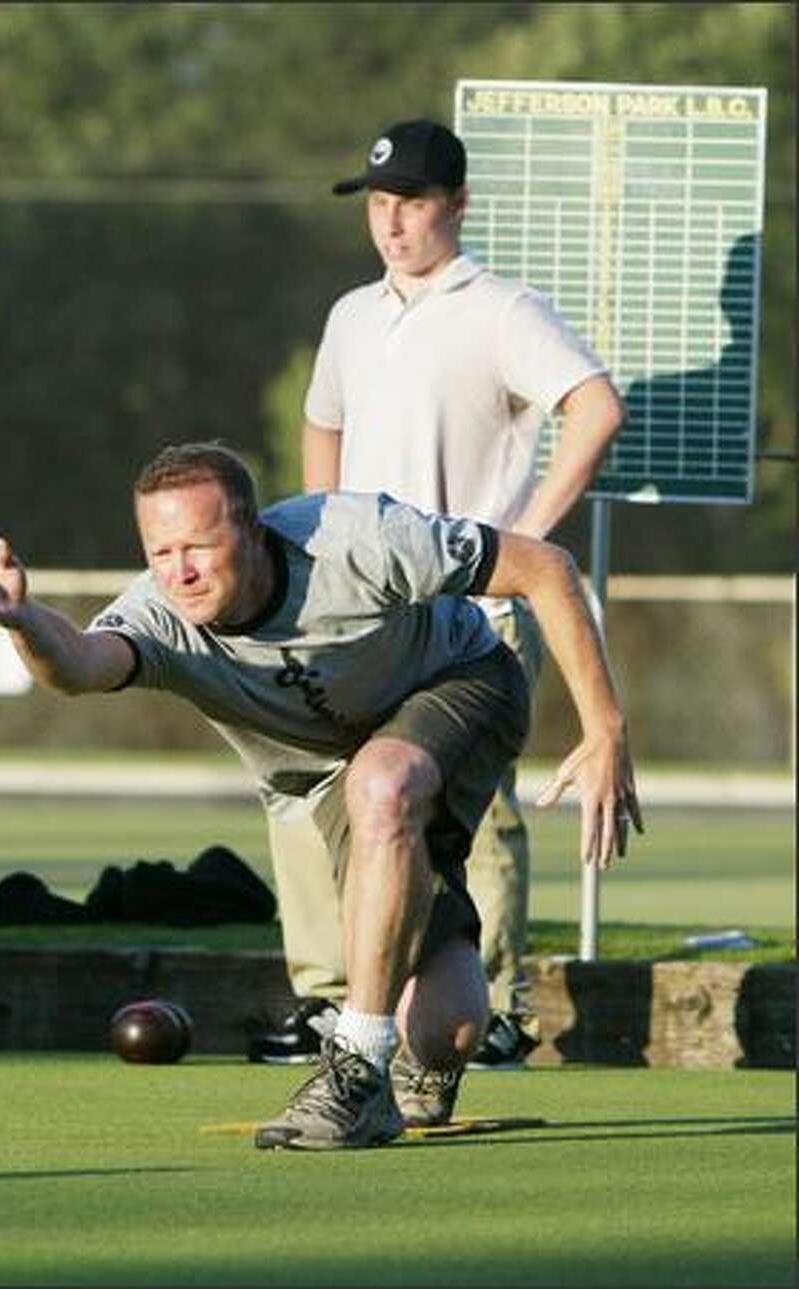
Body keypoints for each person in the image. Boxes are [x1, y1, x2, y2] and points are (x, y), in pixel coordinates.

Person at [0, 442, 641, 1150]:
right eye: (161, 552)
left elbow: (544, 567)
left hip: (463, 683)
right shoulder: (161, 614)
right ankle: (413, 1048)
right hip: (343, 767)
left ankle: (355, 1071)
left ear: (251, 530)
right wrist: (29, 625)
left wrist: (605, 728)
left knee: (384, 782)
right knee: (447, 1029)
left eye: (200, 547)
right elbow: (83, 666)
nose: (179, 571)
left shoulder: (354, 539)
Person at [256, 118, 626, 1104]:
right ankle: (346, 1000)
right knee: (349, 790)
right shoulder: (350, 315)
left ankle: (491, 1003)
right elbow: (321, 421)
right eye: (380, 202)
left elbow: (595, 405)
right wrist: (312, 554)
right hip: (368, 605)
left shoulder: (501, 309)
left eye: (412, 201)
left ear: (457, 204)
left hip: (478, 593)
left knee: (476, 807)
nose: (393, 221)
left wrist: (528, 539)